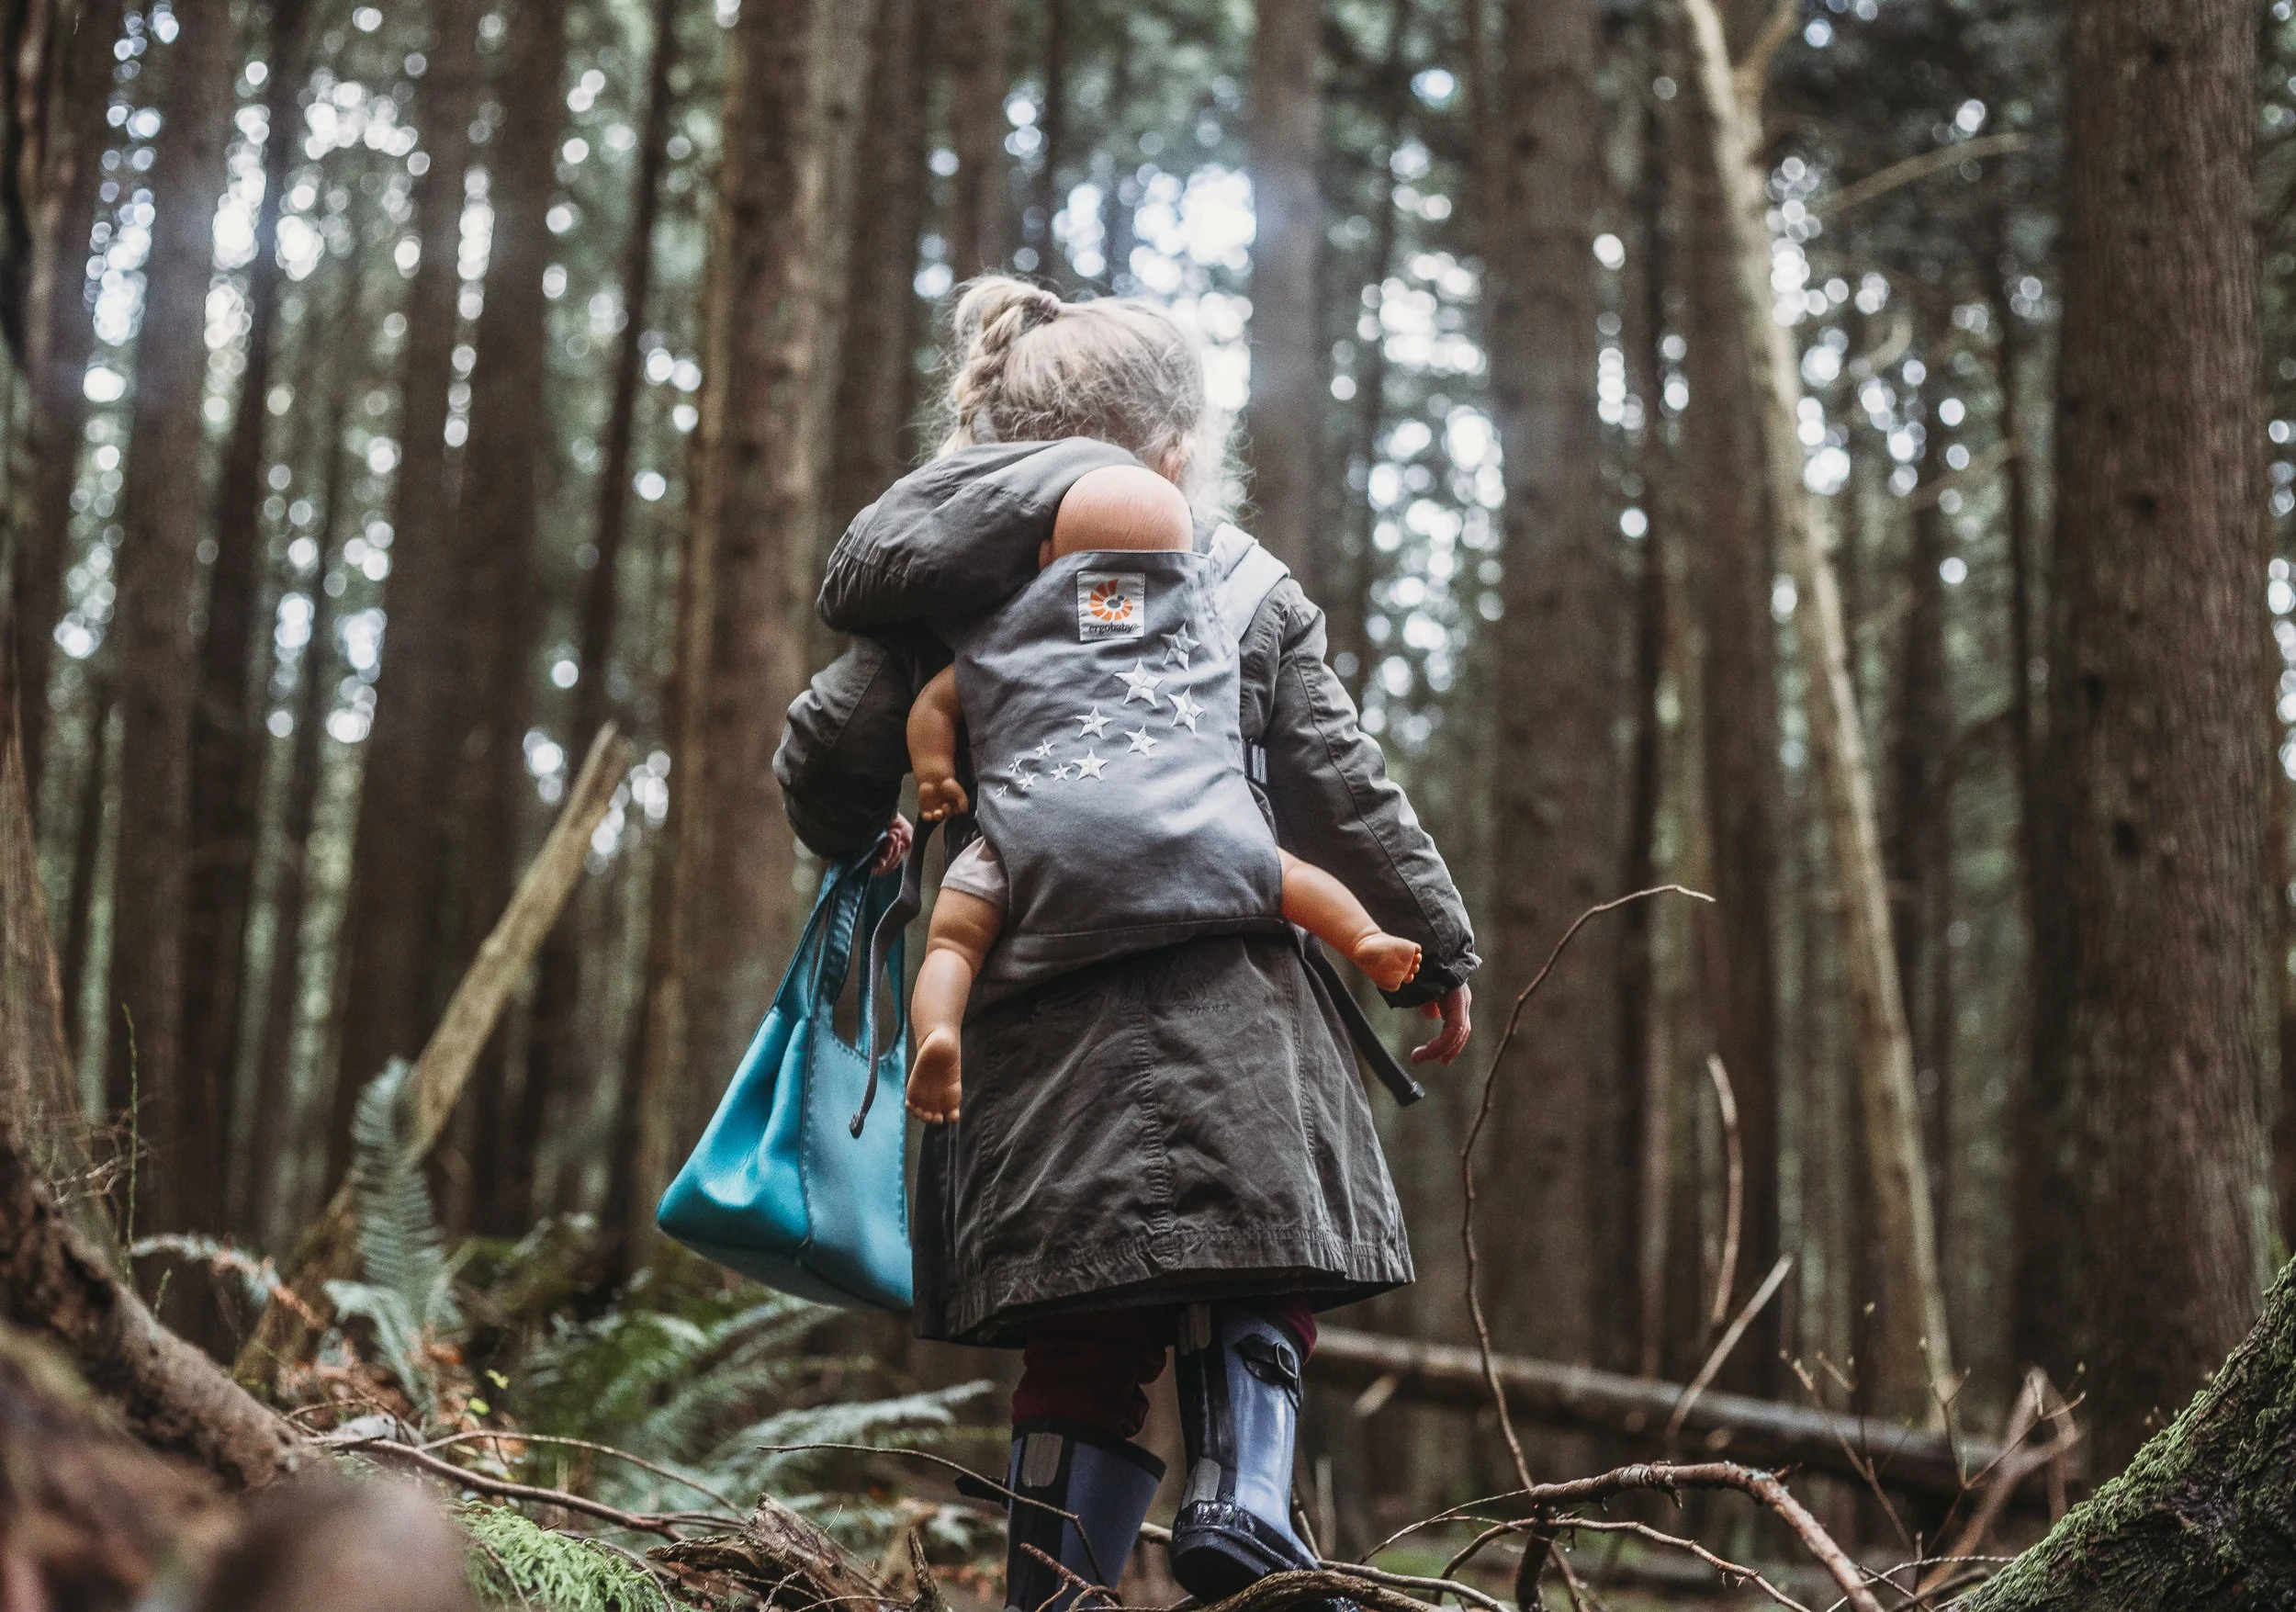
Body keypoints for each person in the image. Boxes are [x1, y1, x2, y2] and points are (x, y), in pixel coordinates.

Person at [776, 276, 1478, 1612]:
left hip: (1027, 1016)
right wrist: (1435, 945)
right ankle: (1242, 1500)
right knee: (1253, 1272)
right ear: (1170, 453)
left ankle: (1050, 1593)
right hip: (1237, 1004)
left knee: (1081, 1328)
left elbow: (820, 761)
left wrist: (880, 816)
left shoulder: (941, 597)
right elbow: (1342, 783)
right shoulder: (1237, 580)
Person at [900, 460, 1424, 1125]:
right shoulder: (1211, 620)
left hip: (1036, 832)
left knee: (952, 943)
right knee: (1283, 874)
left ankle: (938, 1032)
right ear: (1187, 564)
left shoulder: (1004, 629)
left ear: (1043, 559)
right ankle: (1364, 938)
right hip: (1199, 828)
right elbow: (1327, 757)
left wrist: (935, 772)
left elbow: (931, 705)